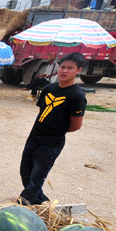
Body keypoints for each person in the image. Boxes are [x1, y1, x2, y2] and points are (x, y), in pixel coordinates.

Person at [18, 52, 88, 206]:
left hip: (51, 144)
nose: (64, 71)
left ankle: (21, 207)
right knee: (26, 176)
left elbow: (76, 125)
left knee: (35, 181)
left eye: (70, 68)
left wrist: (55, 130)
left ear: (79, 70)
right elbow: (42, 112)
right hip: (33, 138)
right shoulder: (49, 89)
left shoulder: (77, 95)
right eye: (62, 67)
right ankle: (48, 207)